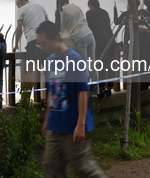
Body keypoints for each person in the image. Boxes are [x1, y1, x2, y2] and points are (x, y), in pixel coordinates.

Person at [37, 21, 106, 178]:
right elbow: (51, 93)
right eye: (39, 44)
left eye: (44, 43)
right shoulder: (49, 62)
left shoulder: (75, 60)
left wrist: (80, 124)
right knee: (51, 166)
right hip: (55, 125)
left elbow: (82, 92)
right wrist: (47, 120)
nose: (42, 47)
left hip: (72, 126)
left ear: (56, 38)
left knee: (82, 168)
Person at [58, 0, 99, 96]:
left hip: (81, 39)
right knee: (92, 64)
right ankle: (95, 90)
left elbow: (64, 29)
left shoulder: (68, 19)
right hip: (90, 34)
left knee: (83, 65)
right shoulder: (79, 21)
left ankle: (85, 91)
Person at [14, 0, 49, 86]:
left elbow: (19, 29)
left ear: (20, 3)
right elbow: (48, 23)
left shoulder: (21, 9)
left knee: (31, 70)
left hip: (33, 40)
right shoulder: (40, 7)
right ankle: (50, 97)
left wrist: (16, 44)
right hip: (46, 40)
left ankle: (27, 98)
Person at [86, 0, 114, 97]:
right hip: (111, 40)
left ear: (90, 5)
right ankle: (109, 88)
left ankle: (101, 89)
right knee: (111, 65)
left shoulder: (89, 13)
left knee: (100, 66)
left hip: (99, 41)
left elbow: (89, 28)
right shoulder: (105, 12)